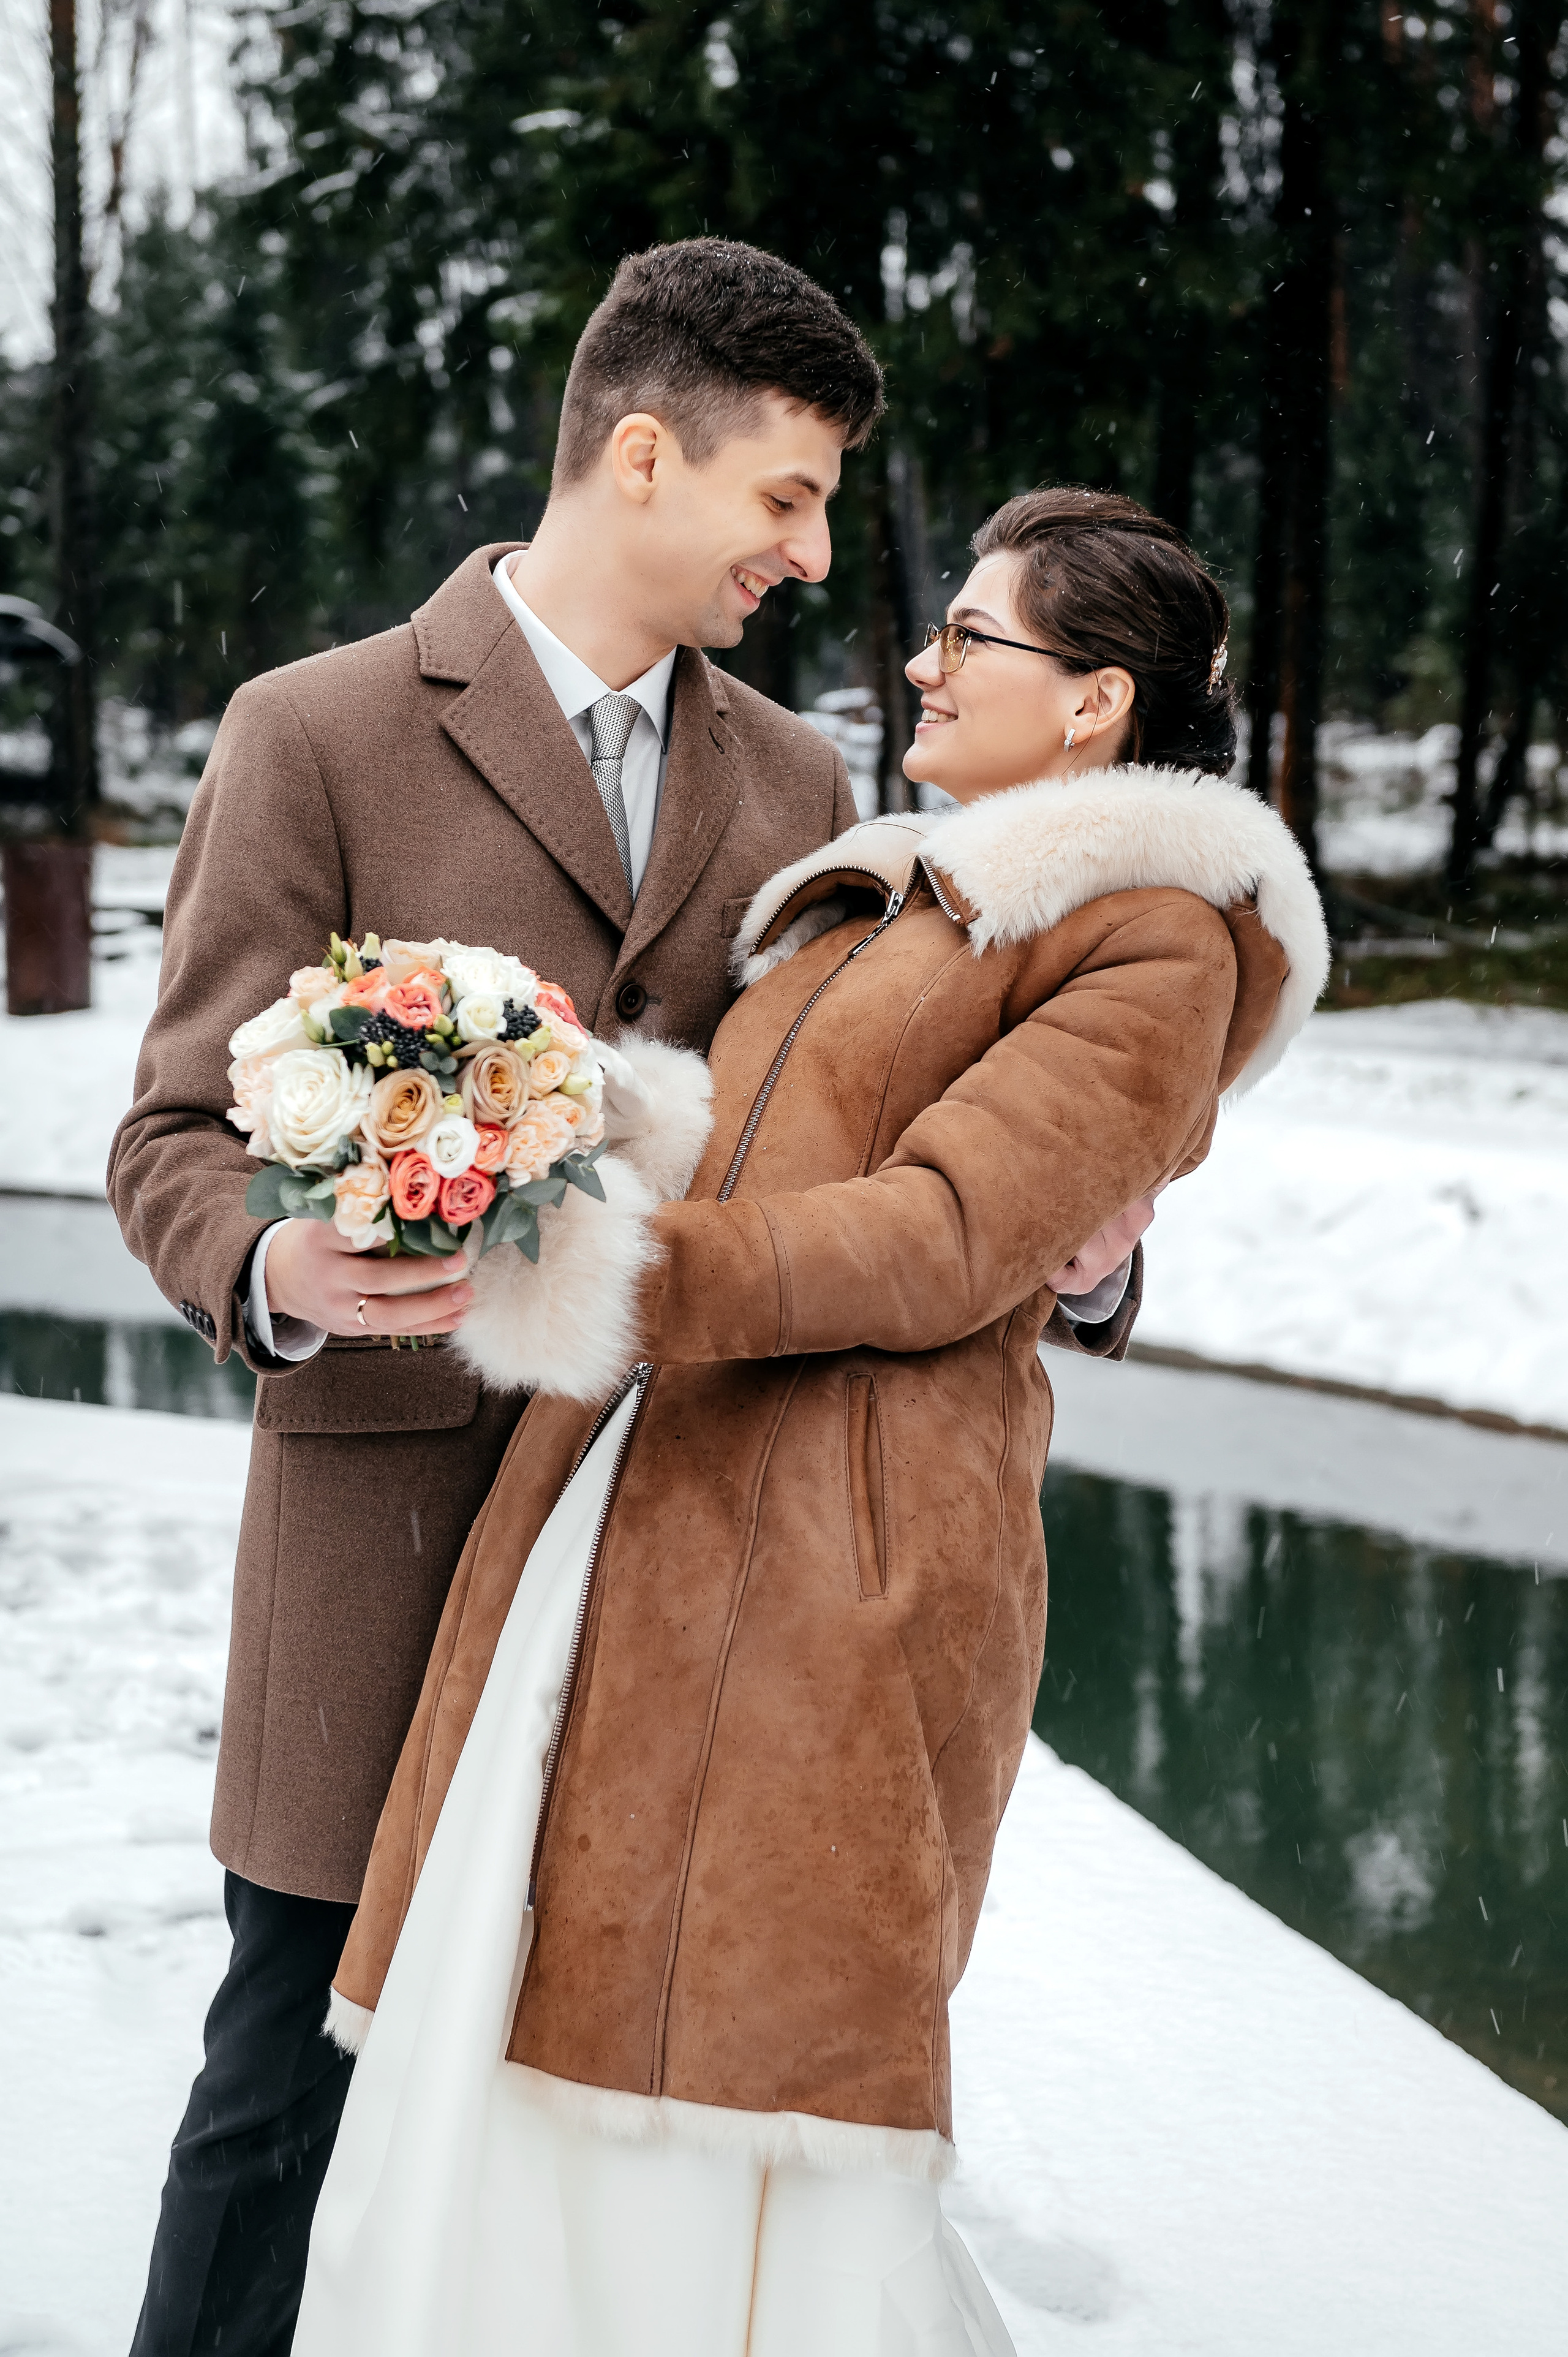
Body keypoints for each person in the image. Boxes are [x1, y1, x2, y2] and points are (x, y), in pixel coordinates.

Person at [295, 488, 1330, 2353]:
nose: (921, 660)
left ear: (1095, 703)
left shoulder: (1154, 936)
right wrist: (580, 1108)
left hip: (845, 1551)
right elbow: (796, 1147)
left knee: (739, 2067)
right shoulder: (918, 890)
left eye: (975, 635)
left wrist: (630, 1275)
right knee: (540, 2004)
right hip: (653, 1502)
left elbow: (942, 1237)